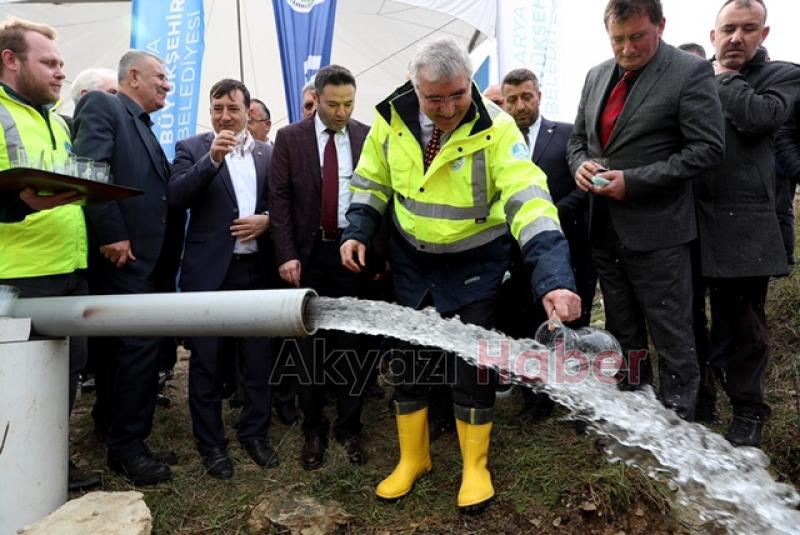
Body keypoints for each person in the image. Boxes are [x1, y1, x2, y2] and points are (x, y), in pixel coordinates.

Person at [340, 37, 580, 512]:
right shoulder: (389, 122)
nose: (448, 108)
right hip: (412, 263)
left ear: (470, 83)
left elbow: (529, 199)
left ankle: (475, 467)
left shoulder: (498, 128)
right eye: (435, 98)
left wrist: (553, 278)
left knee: (472, 365)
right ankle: (414, 458)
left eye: (458, 94)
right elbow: (371, 181)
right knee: (409, 361)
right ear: (416, 88)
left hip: (475, 266)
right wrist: (359, 229)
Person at [567, 0, 725, 420]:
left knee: (672, 333)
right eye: (617, 39)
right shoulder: (596, 74)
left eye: (637, 36)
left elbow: (707, 149)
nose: (627, 48)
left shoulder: (688, 72)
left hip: (660, 233)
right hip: (603, 229)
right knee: (623, 330)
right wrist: (580, 165)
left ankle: (679, 424)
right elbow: (577, 141)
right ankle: (636, 408)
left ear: (660, 26)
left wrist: (633, 182)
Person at [72, 50, 185, 485]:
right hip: (122, 258)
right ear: (132, 76)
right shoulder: (104, 105)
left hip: (148, 263)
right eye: (160, 77)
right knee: (133, 353)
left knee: (125, 354)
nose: (167, 85)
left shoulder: (143, 125)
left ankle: (115, 430)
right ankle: (127, 448)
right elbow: (92, 170)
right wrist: (112, 233)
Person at [0, 17, 99, 491]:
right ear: (10, 60)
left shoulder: (56, 121)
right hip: (16, 278)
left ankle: (50, 459)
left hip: (68, 268)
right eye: (50, 63)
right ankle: (14, 469)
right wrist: (15, 203)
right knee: (14, 382)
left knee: (65, 375)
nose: (62, 72)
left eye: (63, 64)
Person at [696, 0, 800, 446]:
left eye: (748, 29)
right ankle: (700, 400)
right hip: (691, 220)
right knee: (688, 320)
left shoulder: (784, 76)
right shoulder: (691, 76)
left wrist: (722, 78)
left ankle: (749, 409)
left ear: (764, 33)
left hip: (748, 226)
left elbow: (761, 117)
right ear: (713, 34)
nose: (737, 37)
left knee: (743, 324)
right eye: (729, 29)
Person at [169, 79, 278, 478]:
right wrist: (211, 161)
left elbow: (284, 203)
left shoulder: (268, 153)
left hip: (256, 271)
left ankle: (255, 434)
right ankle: (211, 444)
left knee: (256, 361)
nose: (224, 116)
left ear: (249, 111)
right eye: (217, 108)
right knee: (207, 363)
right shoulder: (193, 148)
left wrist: (268, 220)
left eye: (232, 108)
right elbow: (177, 196)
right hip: (209, 273)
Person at [269, 64, 371, 470]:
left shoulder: (367, 136)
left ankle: (350, 425)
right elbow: (278, 200)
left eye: (348, 104)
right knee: (308, 349)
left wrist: (370, 247)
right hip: (308, 258)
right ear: (317, 98)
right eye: (333, 104)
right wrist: (286, 253)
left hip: (353, 257)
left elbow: (379, 194)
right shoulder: (290, 138)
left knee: (353, 349)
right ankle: (313, 428)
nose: (341, 112)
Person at [499, 67, 596, 425]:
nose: (520, 105)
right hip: (519, 256)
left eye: (526, 96)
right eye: (512, 99)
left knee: (572, 329)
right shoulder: (498, 143)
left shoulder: (568, 137)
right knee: (527, 328)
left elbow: (583, 188)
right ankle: (536, 400)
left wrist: (548, 215)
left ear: (539, 95)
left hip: (570, 252)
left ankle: (579, 401)